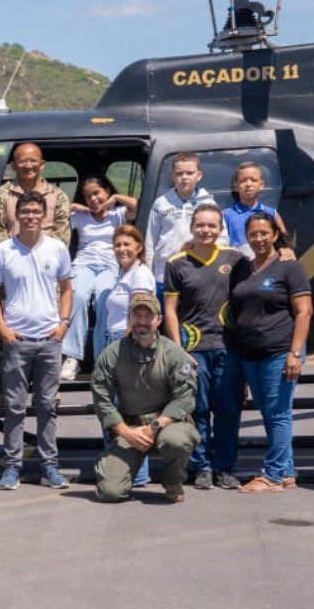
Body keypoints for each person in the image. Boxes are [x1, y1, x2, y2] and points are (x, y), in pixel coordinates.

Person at [0, 190, 74, 490]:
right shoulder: (3, 251)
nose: (31, 217)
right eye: (25, 212)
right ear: (17, 215)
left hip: (50, 338)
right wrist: (2, 328)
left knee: (47, 406)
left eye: (37, 212)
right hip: (16, 339)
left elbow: (66, 288)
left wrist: (63, 324)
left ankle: (49, 466)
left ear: (45, 215)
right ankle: (12, 467)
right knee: (14, 407)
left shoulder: (57, 248)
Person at [162, 204, 246, 490]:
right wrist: (177, 349)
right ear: (192, 227)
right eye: (201, 225)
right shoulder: (176, 263)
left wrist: (286, 250)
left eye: (212, 226)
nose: (206, 230)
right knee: (197, 410)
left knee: (228, 409)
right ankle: (202, 467)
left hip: (227, 347)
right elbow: (170, 310)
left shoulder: (235, 260)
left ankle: (225, 467)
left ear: (221, 229)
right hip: (193, 349)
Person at [228, 213, 313, 493]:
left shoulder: (289, 267)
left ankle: (273, 475)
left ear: (275, 234)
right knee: (269, 413)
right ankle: (287, 471)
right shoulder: (242, 267)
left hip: (279, 352)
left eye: (264, 233)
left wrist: (294, 353)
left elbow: (304, 311)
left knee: (278, 414)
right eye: (253, 234)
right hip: (250, 354)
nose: (259, 238)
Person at [89, 292, 199, 503]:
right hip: (131, 427)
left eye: (147, 316)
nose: (142, 322)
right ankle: (114, 469)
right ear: (129, 318)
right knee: (110, 492)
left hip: (167, 425)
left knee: (175, 441)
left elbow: (185, 397)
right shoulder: (112, 354)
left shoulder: (173, 352)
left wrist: (156, 425)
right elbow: (101, 396)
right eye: (136, 315)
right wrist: (124, 431)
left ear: (158, 320)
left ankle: (174, 481)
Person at [60, 175, 137, 380]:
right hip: (83, 264)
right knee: (78, 296)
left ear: (106, 192)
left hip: (110, 266)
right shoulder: (81, 217)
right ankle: (72, 357)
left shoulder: (117, 214)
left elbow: (137, 207)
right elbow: (57, 214)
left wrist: (117, 198)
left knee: (105, 300)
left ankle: (102, 357)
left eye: (97, 193)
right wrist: (76, 206)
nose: (93, 199)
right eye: (88, 196)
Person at [100, 224, 158, 486]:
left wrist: (124, 351)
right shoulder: (122, 274)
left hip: (125, 344)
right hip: (113, 341)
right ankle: (121, 470)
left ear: (139, 248)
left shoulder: (141, 275)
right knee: (117, 411)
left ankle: (135, 474)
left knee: (128, 413)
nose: (121, 249)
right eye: (117, 245)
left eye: (127, 244)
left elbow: (140, 317)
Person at [144, 152, 226, 295]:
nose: (184, 178)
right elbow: (150, 241)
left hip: (198, 272)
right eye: (179, 173)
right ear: (172, 176)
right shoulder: (161, 203)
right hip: (163, 273)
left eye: (189, 173)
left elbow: (223, 238)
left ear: (199, 175)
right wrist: (147, 273)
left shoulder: (208, 203)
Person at [0, 142, 72, 248]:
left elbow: (61, 233)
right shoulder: (0, 196)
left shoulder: (58, 196)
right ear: (13, 166)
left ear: (42, 164)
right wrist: (18, 254)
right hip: (11, 257)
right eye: (23, 161)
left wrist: (40, 254)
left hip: (47, 259)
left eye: (33, 161)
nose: (28, 165)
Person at [222, 161, 290, 258]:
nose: (248, 184)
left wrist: (286, 250)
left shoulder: (272, 214)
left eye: (253, 180)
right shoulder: (226, 215)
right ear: (236, 186)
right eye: (243, 180)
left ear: (261, 185)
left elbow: (284, 244)